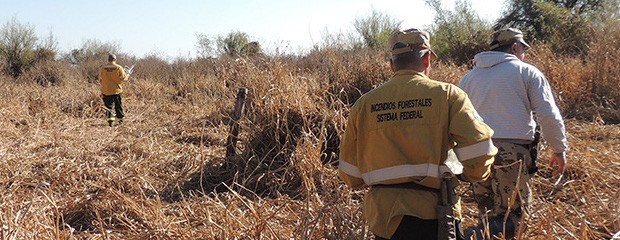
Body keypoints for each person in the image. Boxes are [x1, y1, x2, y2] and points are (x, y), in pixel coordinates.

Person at [338, 28, 498, 240]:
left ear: (392, 64)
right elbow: (480, 150)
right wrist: (470, 175)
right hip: (435, 214)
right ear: (427, 59)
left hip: (385, 219)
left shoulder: (363, 105)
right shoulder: (449, 96)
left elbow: (350, 173)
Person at [458, 28, 568, 239]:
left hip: (476, 152)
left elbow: (458, 118)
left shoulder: (468, 78)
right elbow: (547, 113)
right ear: (515, 47)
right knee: (514, 217)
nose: (524, 54)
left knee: (487, 215)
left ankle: (475, 234)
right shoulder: (527, 72)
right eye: (523, 49)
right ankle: (468, 236)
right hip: (512, 153)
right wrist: (559, 149)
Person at [99, 53, 129, 127]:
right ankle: (121, 120)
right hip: (116, 90)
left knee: (108, 107)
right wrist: (128, 75)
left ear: (108, 59)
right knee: (118, 106)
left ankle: (110, 122)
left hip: (106, 91)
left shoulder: (102, 68)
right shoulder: (119, 67)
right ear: (115, 60)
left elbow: (100, 79)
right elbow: (123, 78)